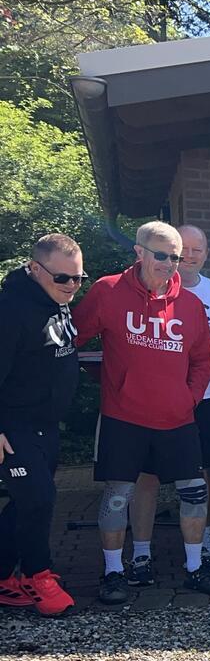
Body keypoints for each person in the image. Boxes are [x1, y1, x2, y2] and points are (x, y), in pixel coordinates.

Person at [74, 221, 210, 603]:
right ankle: (114, 572)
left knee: (193, 494)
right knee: (117, 496)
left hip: (177, 420)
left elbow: (203, 358)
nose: (170, 263)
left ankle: (194, 568)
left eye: (175, 257)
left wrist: (188, 398)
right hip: (124, 418)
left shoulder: (191, 305)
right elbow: (72, 338)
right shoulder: (107, 291)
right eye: (161, 254)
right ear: (139, 252)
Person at [128, 224, 210, 577]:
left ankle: (204, 534)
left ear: (206, 254)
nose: (188, 255)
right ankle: (141, 550)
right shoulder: (143, 292)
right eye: (181, 248)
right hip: (150, 402)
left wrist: (189, 391)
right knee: (148, 474)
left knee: (203, 470)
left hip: (201, 398)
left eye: (197, 249)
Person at [0, 234, 83, 616]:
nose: (70, 286)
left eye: (78, 278)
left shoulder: (59, 303)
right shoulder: (11, 310)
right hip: (13, 425)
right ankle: (37, 575)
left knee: (24, 502)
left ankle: (4, 578)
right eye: (62, 278)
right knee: (39, 499)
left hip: (45, 425)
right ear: (35, 269)